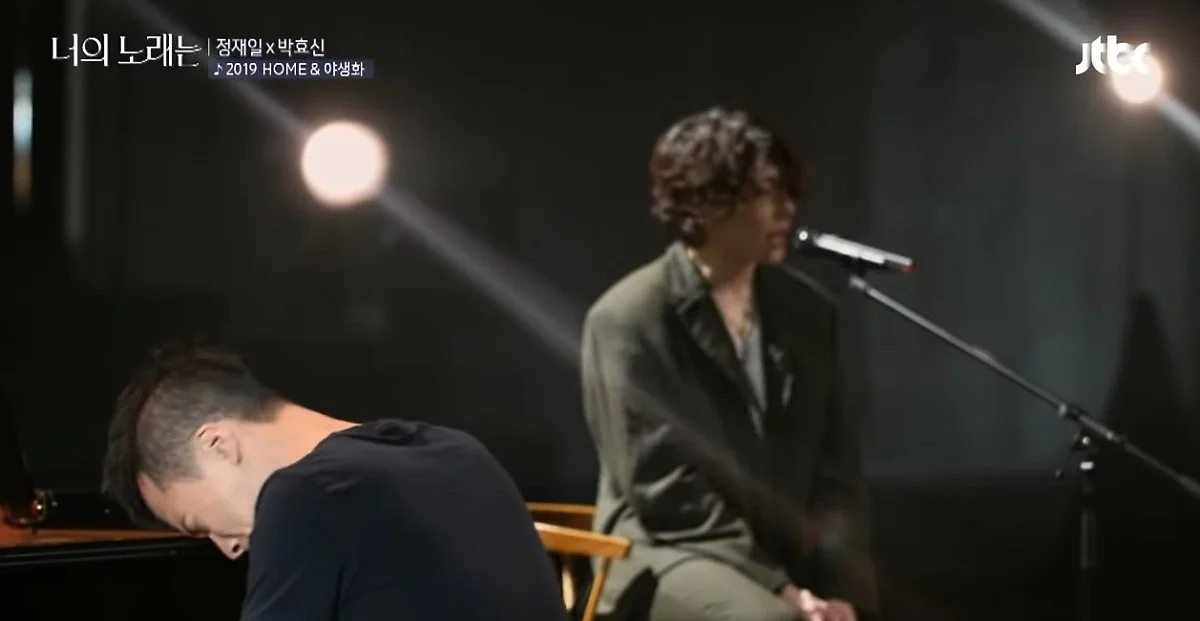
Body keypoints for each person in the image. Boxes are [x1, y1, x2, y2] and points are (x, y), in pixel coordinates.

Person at [580, 107, 878, 621]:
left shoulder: (808, 311)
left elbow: (838, 475)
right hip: (668, 549)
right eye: (765, 193)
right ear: (707, 203)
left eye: (789, 192)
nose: (786, 210)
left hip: (777, 550)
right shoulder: (629, 319)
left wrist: (843, 592)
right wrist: (783, 590)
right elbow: (665, 491)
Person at [102, 340, 567, 621]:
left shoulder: (305, 495)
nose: (229, 548)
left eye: (198, 524)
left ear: (217, 444)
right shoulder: (460, 451)